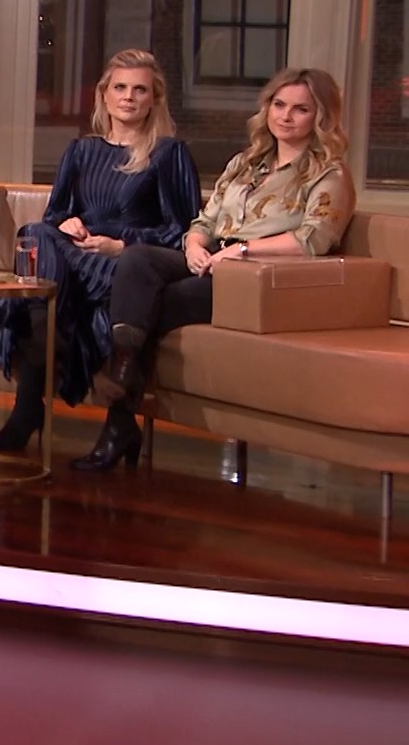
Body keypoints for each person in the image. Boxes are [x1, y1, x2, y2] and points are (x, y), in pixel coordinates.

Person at [75, 66, 355, 472]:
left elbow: (314, 239)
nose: (285, 116)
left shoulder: (329, 173)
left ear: (321, 117)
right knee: (137, 258)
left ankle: (119, 408)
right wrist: (193, 245)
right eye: (279, 105)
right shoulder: (245, 162)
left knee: (160, 298)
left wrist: (242, 250)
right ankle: (123, 370)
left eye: (301, 109)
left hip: (256, 276)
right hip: (213, 258)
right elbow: (204, 221)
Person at [0, 49, 200, 453]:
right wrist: (67, 224)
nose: (128, 97)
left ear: (153, 99)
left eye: (139, 90)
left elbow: (180, 231)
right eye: (120, 88)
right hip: (72, 260)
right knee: (35, 231)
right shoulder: (81, 151)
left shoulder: (168, 154)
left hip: (118, 267)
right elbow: (55, 214)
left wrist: (120, 243)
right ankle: (46, 329)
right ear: (104, 95)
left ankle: (33, 388)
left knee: (32, 284)